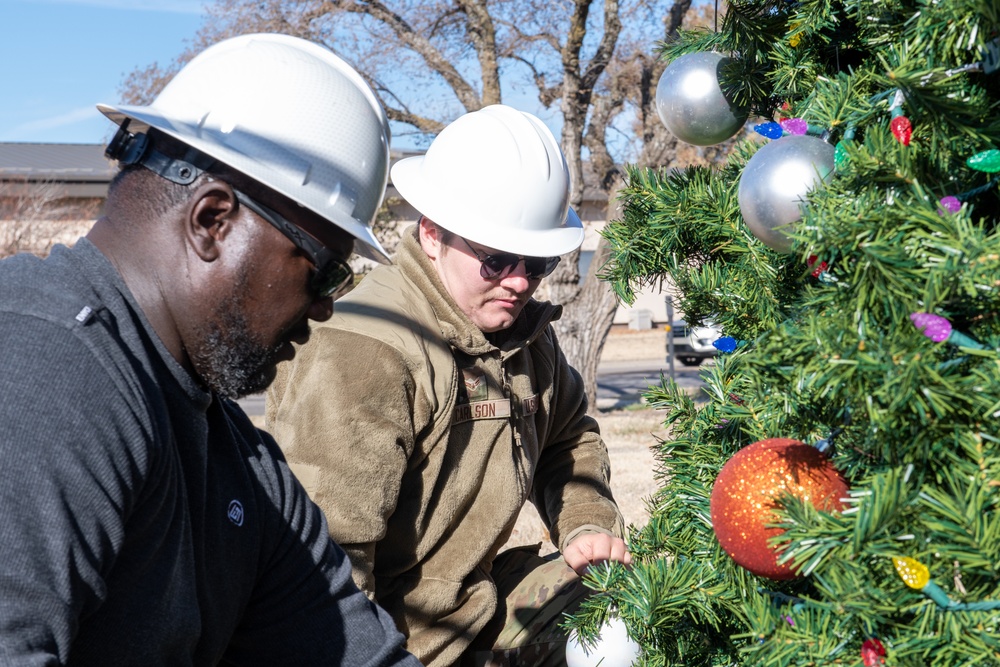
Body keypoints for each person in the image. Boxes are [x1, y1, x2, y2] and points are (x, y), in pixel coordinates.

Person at [0, 34, 421, 666]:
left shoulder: (233, 451)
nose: (326, 306)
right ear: (212, 221)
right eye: (326, 271)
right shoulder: (42, 369)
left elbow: (349, 649)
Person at [266, 104, 631, 666]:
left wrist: (586, 522)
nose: (519, 282)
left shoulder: (523, 334)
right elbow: (324, 569)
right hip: (396, 641)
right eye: (495, 260)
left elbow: (567, 442)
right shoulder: (366, 350)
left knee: (633, 618)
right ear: (433, 235)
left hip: (476, 611)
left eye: (537, 263)